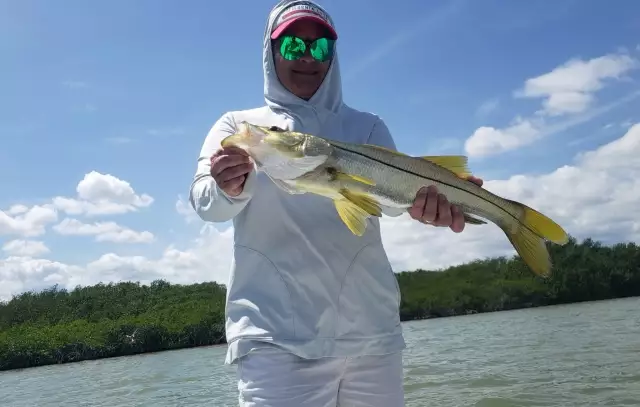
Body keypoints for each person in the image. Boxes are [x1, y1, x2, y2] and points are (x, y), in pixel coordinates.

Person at [189, 1, 483, 406]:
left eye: (320, 47)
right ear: (270, 52)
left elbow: (394, 203)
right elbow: (207, 205)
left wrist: (431, 206)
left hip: (373, 335)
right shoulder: (239, 127)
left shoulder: (367, 126)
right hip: (277, 339)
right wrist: (228, 186)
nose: (308, 57)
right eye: (293, 46)